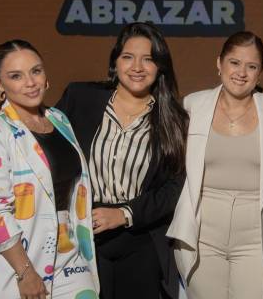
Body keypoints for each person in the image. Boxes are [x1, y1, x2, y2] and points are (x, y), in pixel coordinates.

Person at [56, 23, 188, 299]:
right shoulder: (80, 98)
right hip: (83, 237)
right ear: (115, 62)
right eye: (128, 57)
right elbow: (45, 150)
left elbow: (174, 188)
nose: (137, 67)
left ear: (160, 66)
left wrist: (124, 214)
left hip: (141, 241)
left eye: (148, 58)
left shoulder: (174, 119)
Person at [0, 40, 98, 299]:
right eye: (16, 76)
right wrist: (26, 272)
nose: (30, 82)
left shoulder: (59, 119)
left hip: (69, 254)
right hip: (15, 260)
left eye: (36, 71)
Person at [167, 31, 263, 299]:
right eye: (234, 62)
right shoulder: (192, 106)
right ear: (219, 63)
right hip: (202, 237)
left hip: (256, 238)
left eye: (252, 66)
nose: (241, 72)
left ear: (260, 72)